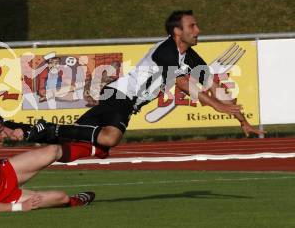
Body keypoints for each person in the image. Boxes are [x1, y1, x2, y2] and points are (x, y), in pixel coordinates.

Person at [25, 10, 264, 161]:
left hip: (125, 102)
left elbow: (214, 85)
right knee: (110, 138)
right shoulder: (166, 50)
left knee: (83, 144)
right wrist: (218, 107)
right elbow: (183, 83)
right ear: (177, 31)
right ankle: (50, 130)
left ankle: (36, 133)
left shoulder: (189, 56)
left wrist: (243, 121)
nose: (198, 30)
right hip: (120, 95)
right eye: (193, 26)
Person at [0, 110, 95, 212]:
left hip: (1, 173)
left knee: (53, 150)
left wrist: (9, 131)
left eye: (2, 130)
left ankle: (96, 148)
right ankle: (74, 201)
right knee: (62, 197)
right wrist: (20, 207)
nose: (3, 135)